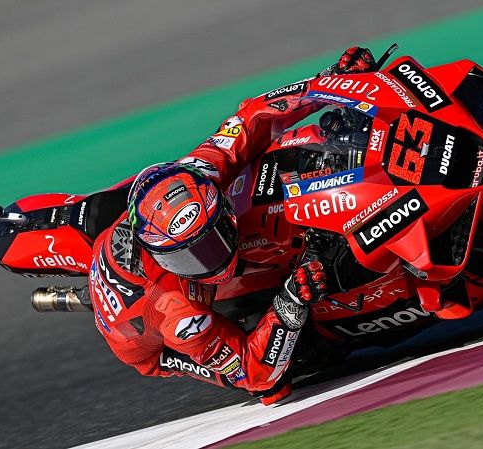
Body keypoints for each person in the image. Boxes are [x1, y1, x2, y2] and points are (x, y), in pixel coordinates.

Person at [87, 47, 376, 404]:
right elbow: (254, 372)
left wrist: (331, 82)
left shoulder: (200, 174)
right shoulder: (179, 315)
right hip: (153, 343)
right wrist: (288, 304)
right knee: (275, 385)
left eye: (213, 237)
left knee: (261, 165)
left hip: (135, 253)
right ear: (164, 257)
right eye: (191, 255)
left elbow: (253, 116)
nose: (213, 258)